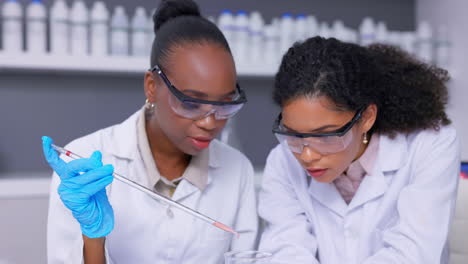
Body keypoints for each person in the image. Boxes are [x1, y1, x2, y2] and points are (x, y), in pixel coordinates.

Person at [42, 1, 258, 263]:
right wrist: (93, 239)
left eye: (224, 104)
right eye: (190, 103)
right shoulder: (83, 162)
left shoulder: (239, 170)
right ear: (152, 86)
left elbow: (245, 257)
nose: (210, 123)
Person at [258, 37, 460, 263]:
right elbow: (285, 249)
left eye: (325, 135)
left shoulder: (428, 144)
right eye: (293, 133)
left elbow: (412, 254)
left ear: (366, 118)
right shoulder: (283, 161)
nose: (306, 155)